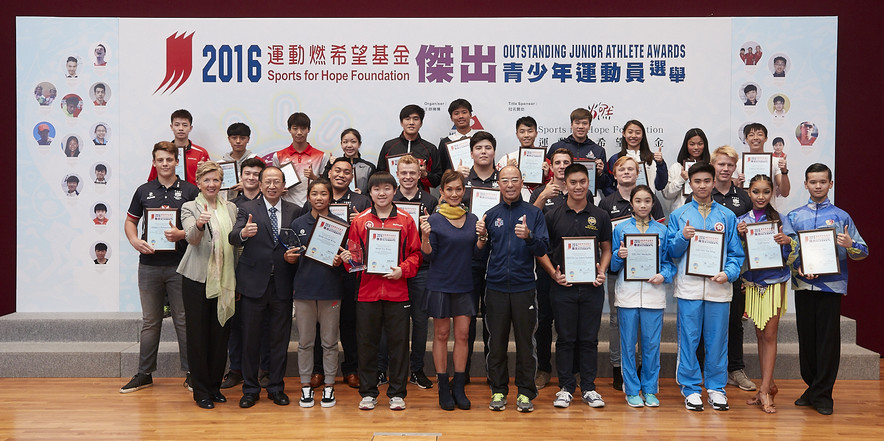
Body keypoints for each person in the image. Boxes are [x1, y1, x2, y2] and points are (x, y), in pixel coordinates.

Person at [785, 163, 868, 415]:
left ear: (830, 184)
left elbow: (863, 252)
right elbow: (786, 252)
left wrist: (850, 243)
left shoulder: (842, 217)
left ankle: (823, 395)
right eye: (813, 182)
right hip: (803, 285)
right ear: (806, 184)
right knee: (807, 341)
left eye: (823, 181)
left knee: (827, 343)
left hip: (830, 287)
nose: (818, 186)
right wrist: (799, 265)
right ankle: (812, 388)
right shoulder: (794, 216)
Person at [666, 162, 745, 412]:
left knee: (717, 341)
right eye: (697, 181)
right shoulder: (679, 215)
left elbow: (736, 254)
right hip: (689, 289)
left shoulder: (727, 215)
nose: (702, 186)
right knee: (688, 339)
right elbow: (670, 251)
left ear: (713, 183)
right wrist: (682, 237)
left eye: (706, 181)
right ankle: (690, 389)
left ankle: (716, 388)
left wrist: (728, 273)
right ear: (690, 183)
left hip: (718, 288)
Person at [121, 141, 198, 394]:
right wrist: (134, 240)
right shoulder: (144, 190)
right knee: (150, 321)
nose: (165, 164)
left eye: (169, 159)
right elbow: (131, 221)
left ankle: (191, 373)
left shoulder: (190, 190)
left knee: (183, 321)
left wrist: (182, 234)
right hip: (149, 266)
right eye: (160, 160)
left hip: (181, 265)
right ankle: (144, 373)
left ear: (177, 161)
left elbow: (200, 227)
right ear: (154, 163)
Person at [535, 163, 611, 409]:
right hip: (562, 287)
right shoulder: (552, 215)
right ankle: (566, 387)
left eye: (582, 182)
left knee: (589, 339)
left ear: (588, 183)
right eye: (573, 182)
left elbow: (607, 249)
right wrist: (553, 275)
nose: (578, 187)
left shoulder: (599, 215)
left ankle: (588, 386)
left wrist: (602, 270)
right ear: (564, 185)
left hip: (592, 288)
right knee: (566, 338)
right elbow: (541, 250)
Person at [346, 171, 422, 411]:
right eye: (376, 189)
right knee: (366, 343)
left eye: (386, 189)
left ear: (394, 190)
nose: (382, 193)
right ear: (370, 192)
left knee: (399, 344)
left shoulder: (406, 220)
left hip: (397, 292)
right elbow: (353, 257)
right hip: (367, 293)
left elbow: (416, 254)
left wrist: (403, 270)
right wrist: (350, 259)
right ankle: (368, 392)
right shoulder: (360, 221)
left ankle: (397, 393)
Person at [229, 166, 301, 408]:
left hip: (282, 285)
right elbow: (233, 235)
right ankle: (250, 389)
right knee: (250, 339)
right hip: (252, 285)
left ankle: (276, 387)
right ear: (260, 185)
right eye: (267, 181)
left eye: (276, 182)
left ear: (284, 186)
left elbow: (298, 244)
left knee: (279, 340)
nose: (272, 186)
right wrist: (243, 233)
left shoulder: (295, 211)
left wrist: (295, 257)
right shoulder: (246, 208)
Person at [482, 165, 549, 413]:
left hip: (524, 288)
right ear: (498, 184)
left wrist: (529, 236)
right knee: (496, 344)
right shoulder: (490, 215)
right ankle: (498, 391)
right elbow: (480, 254)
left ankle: (524, 393)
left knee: (525, 343)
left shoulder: (534, 214)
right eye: (504, 180)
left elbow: (543, 250)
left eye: (514, 180)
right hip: (496, 288)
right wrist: (479, 239)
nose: (509, 185)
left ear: (522, 182)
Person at [598, 156, 666, 390]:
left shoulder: (652, 202)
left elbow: (662, 243)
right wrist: (618, 255)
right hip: (619, 273)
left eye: (631, 169)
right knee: (618, 321)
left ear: (638, 173)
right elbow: (605, 241)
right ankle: (619, 368)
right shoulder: (607, 203)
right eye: (622, 169)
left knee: (646, 330)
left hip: (648, 275)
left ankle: (642, 372)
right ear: (614, 174)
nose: (626, 172)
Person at [177, 161, 238, 409]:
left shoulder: (231, 207)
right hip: (196, 279)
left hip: (225, 279)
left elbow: (236, 242)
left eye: (216, 180)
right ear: (198, 183)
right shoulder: (190, 207)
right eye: (207, 180)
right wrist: (200, 224)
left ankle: (214, 386)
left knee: (220, 334)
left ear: (221, 183)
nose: (212, 184)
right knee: (198, 335)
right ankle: (200, 390)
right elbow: (191, 239)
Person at [308, 157, 371, 389]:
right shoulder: (319, 195)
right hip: (321, 268)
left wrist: (360, 221)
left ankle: (351, 368)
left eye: (347, 171)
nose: (341, 175)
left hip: (349, 270)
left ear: (352, 176)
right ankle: (318, 370)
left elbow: (370, 235)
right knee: (318, 323)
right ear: (330, 172)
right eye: (337, 170)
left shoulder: (361, 200)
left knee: (349, 321)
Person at [610, 185, 676, 408]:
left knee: (651, 346)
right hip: (627, 295)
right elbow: (613, 264)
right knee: (627, 346)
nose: (643, 205)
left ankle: (649, 389)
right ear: (631, 204)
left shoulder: (662, 230)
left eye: (647, 201)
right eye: (638, 201)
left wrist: (663, 275)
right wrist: (620, 256)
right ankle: (631, 390)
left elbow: (669, 264)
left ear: (652, 204)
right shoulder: (620, 229)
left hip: (653, 294)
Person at [736, 174, 797, 414]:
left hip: (774, 282)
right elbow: (735, 256)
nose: (761, 196)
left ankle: (763, 390)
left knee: (770, 335)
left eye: (766, 192)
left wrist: (786, 243)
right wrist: (739, 236)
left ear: (772, 193)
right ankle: (768, 385)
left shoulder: (781, 220)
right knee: (760, 335)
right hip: (752, 283)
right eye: (756, 192)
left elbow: (795, 254)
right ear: (748, 192)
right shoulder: (742, 221)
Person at [376, 155, 438, 390]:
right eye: (404, 173)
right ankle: (382, 369)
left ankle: (417, 369)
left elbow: (434, 239)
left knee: (420, 321)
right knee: (387, 320)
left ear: (419, 174)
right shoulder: (390, 198)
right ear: (397, 174)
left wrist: (428, 229)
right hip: (391, 268)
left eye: (413, 173)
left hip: (420, 268)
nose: (409, 177)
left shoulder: (430, 201)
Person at [421, 170, 481, 410]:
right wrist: (424, 237)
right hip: (440, 283)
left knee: (464, 335)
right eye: (450, 190)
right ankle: (443, 386)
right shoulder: (433, 220)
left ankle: (459, 386)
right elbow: (429, 256)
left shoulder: (474, 218)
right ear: (442, 193)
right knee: (442, 335)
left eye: (459, 189)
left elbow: (477, 254)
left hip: (465, 283)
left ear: (463, 191)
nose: (455, 193)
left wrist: (482, 239)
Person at [289, 178, 349, 408]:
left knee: (329, 342)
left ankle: (329, 387)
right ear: (308, 197)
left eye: (324, 194)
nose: (319, 198)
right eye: (314, 193)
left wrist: (339, 261)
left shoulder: (339, 225)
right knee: (305, 342)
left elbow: (348, 259)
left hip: (330, 289)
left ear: (330, 197)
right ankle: (305, 387)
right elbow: (292, 258)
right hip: (304, 290)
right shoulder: (297, 224)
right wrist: (289, 258)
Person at [703, 146, 755, 392]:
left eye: (730, 165)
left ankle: (735, 368)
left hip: (734, 270)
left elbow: (754, 235)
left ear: (736, 168)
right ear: (713, 165)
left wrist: (746, 232)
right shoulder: (703, 192)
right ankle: (704, 368)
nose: (725, 169)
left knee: (735, 322)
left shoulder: (743, 198)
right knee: (704, 321)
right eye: (721, 164)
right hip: (703, 269)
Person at [219, 157, 267, 390]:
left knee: (264, 325)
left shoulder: (272, 201)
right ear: (240, 177)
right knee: (236, 323)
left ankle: (264, 369)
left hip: (263, 273)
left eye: (256, 174)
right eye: (247, 173)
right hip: (234, 267)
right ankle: (236, 369)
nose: (251, 178)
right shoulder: (231, 204)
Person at [376, 104, 443, 190]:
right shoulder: (389, 146)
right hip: (393, 198)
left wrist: (425, 174)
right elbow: (379, 176)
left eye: (415, 119)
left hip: (421, 199)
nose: (411, 122)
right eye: (407, 119)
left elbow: (438, 180)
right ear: (401, 122)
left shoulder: (430, 149)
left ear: (421, 123)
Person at [547, 108, 608, 199]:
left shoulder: (598, 150)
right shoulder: (557, 147)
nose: (580, 126)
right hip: (558, 195)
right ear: (571, 125)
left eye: (584, 123)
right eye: (577, 123)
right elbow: (548, 174)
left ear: (589, 126)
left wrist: (599, 174)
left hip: (590, 196)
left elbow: (604, 184)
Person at [271, 112, 329, 206]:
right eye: (295, 128)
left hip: (312, 206)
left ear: (308, 130)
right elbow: (274, 181)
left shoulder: (321, 156)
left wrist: (314, 177)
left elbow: (327, 185)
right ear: (289, 130)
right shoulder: (278, 156)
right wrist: (279, 189)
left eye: (303, 129)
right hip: (287, 206)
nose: (299, 132)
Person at [604, 120, 668, 195]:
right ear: (624, 134)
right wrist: (620, 199)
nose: (633, 136)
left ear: (643, 135)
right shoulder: (615, 159)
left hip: (648, 203)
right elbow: (607, 186)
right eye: (630, 132)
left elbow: (660, 186)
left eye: (637, 133)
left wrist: (660, 164)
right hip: (623, 205)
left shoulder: (653, 159)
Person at [148, 109, 210, 186]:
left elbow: (210, 180)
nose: (181, 128)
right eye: (177, 125)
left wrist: (203, 170)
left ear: (190, 128)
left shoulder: (201, 153)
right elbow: (152, 181)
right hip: (168, 196)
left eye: (185, 125)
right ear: (171, 127)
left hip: (194, 196)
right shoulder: (162, 153)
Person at [496, 116, 549, 199]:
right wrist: (508, 170)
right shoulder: (507, 159)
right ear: (517, 134)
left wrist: (545, 176)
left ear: (536, 133)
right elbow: (497, 186)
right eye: (522, 132)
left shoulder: (544, 160)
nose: (526, 135)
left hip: (538, 203)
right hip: (513, 205)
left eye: (530, 131)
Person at [736, 123, 791, 199]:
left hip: (769, 209)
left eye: (760, 134)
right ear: (746, 139)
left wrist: (784, 172)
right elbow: (731, 193)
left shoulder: (775, 162)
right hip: (745, 209)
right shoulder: (738, 163)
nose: (755, 138)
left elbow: (785, 193)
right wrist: (739, 185)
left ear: (766, 139)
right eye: (751, 135)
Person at [662, 128, 710, 211]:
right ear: (686, 145)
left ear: (705, 145)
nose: (696, 147)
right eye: (692, 144)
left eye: (700, 144)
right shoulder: (676, 167)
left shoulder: (710, 168)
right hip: (681, 214)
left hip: (705, 213)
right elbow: (667, 194)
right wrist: (681, 179)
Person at [321, 128, 376, 194]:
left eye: (353, 142)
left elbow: (373, 192)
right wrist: (330, 165)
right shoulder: (334, 163)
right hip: (336, 203)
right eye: (345, 142)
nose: (349, 145)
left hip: (360, 203)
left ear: (359, 144)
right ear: (341, 144)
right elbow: (324, 185)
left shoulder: (369, 167)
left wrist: (362, 195)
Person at [220, 122, 258, 200]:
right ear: (229, 139)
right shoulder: (220, 164)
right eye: (234, 138)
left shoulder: (257, 161)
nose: (238, 141)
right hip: (226, 204)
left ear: (248, 139)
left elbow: (264, 184)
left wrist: (247, 186)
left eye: (242, 138)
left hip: (252, 203)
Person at [438, 98, 477, 172]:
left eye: (464, 112)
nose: (461, 116)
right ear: (451, 118)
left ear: (471, 115)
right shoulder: (445, 143)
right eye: (456, 113)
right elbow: (441, 171)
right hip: (453, 183)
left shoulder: (481, 139)